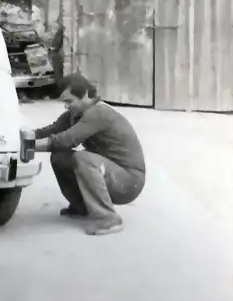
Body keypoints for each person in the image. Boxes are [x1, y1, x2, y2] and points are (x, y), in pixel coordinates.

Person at [21, 73, 146, 236]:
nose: (66, 106)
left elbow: (65, 140)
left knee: (83, 158)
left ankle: (108, 219)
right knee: (60, 157)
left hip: (129, 182)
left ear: (85, 95)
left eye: (69, 101)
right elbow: (48, 131)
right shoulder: (75, 114)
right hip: (108, 171)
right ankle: (81, 207)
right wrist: (18, 137)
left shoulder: (98, 113)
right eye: (64, 102)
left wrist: (29, 147)